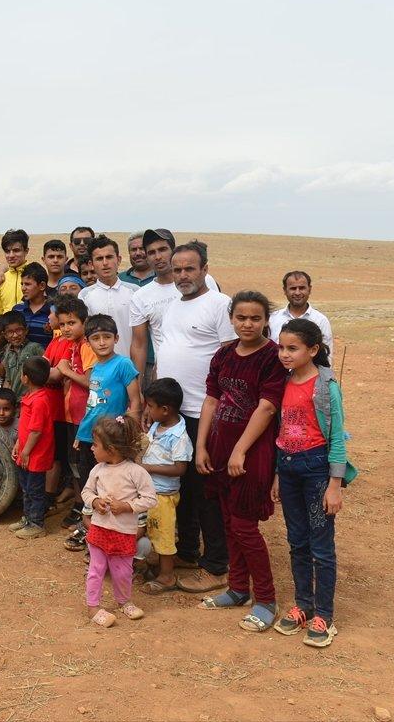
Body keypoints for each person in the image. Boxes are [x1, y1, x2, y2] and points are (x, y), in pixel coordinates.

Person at [195, 291, 286, 633]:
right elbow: (211, 400)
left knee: (245, 526)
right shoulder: (223, 354)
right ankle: (236, 589)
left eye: (256, 318)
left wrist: (240, 451)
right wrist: (202, 445)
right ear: (231, 318)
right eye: (241, 317)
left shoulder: (272, 357)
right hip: (219, 447)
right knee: (229, 522)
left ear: (266, 321)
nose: (248, 324)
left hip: (253, 452)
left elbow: (267, 407)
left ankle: (265, 598)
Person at [149, 239, 234, 595]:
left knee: (206, 490)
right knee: (181, 488)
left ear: (204, 269)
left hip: (206, 412)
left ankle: (216, 565)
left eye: (190, 269)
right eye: (178, 268)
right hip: (174, 413)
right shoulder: (173, 306)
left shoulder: (219, 304)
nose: (183, 275)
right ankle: (185, 552)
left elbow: (231, 357)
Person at [273, 318, 355, 648]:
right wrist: (278, 474)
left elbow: (336, 437)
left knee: (321, 544)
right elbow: (280, 431)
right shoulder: (284, 382)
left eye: (292, 348)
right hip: (289, 469)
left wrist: (335, 484)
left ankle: (325, 614)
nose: (284, 354)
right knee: (297, 540)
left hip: (317, 470)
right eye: (281, 347)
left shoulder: (326, 386)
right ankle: (303, 605)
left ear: (313, 350)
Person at [66, 313, 141, 552]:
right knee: (93, 484)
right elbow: (93, 404)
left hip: (112, 439)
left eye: (107, 337)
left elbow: (135, 403)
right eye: (96, 338)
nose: (102, 342)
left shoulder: (123, 364)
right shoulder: (96, 368)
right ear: (88, 342)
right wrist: (80, 434)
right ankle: (93, 533)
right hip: (90, 436)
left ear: (116, 338)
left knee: (112, 487)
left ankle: (110, 537)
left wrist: (130, 436)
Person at [82, 416, 158, 627]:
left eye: (96, 445)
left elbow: (151, 499)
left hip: (124, 532)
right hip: (99, 529)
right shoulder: (97, 470)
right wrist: (96, 501)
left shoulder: (136, 472)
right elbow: (86, 491)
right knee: (96, 569)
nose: (92, 449)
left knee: (123, 571)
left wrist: (127, 506)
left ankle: (124, 601)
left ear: (112, 449)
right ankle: (93, 607)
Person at [129, 228, 220, 386]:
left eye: (163, 249)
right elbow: (139, 345)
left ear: (173, 251)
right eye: (151, 252)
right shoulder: (141, 297)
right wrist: (137, 388)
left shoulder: (205, 280)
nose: (158, 257)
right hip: (165, 381)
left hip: (206, 379)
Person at [137, 377, 192, 595]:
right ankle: (156, 566)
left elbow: (180, 468)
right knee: (151, 529)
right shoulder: (158, 425)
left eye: (150, 406)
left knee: (164, 534)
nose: (148, 410)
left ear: (166, 409)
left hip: (163, 496)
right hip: (151, 491)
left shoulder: (179, 436)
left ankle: (167, 576)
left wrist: (150, 468)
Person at [43, 297, 93, 515]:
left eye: (71, 323)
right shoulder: (72, 345)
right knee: (75, 464)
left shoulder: (86, 346)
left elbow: (91, 382)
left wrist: (65, 371)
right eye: (62, 324)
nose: (65, 328)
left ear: (84, 322)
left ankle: (84, 508)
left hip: (84, 417)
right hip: (71, 414)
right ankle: (79, 505)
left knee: (84, 466)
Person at [10, 356, 54, 539]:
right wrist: (19, 445)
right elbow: (26, 428)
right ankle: (27, 518)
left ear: (26, 378)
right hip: (26, 452)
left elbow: (36, 431)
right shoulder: (31, 397)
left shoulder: (39, 401)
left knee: (34, 490)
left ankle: (36, 523)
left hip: (35, 454)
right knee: (26, 488)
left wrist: (26, 451)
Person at [78, 235, 138, 358]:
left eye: (109, 257)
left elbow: (141, 338)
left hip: (130, 366)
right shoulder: (85, 295)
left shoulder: (135, 291)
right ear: (91, 264)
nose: (105, 263)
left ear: (119, 259)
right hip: (98, 368)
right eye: (99, 259)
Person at [269, 271, 334, 359]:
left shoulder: (320, 320)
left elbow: (326, 356)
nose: (297, 293)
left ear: (309, 289)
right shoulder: (273, 319)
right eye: (293, 288)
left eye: (302, 288)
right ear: (285, 290)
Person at [0, 312, 44, 403]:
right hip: (14, 402)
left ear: (26, 330)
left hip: (31, 400)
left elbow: (45, 372)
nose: (15, 335)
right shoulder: (7, 351)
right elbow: (7, 378)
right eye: (10, 332)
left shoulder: (35, 348)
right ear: (5, 335)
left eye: (18, 330)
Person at [0, 229, 30, 325]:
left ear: (26, 251)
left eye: (16, 250)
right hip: (6, 335)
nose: (11, 255)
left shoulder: (35, 274)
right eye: (7, 251)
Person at [12, 262, 52, 347]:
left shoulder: (53, 311)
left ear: (42, 286)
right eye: (22, 284)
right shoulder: (17, 310)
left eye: (27, 284)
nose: (23, 288)